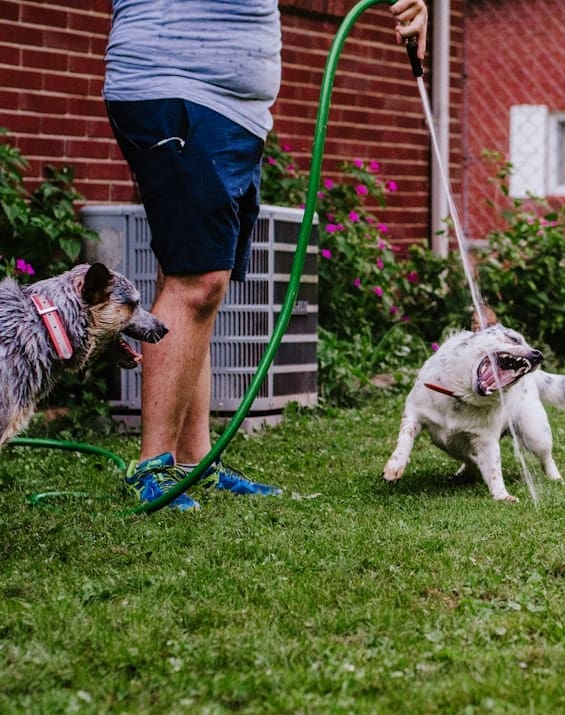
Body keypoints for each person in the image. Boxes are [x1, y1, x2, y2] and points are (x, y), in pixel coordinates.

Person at [104, 0, 429, 510]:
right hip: (181, 86)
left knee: (194, 283)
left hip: (224, 107)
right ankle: (153, 469)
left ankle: (195, 464)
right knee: (198, 282)